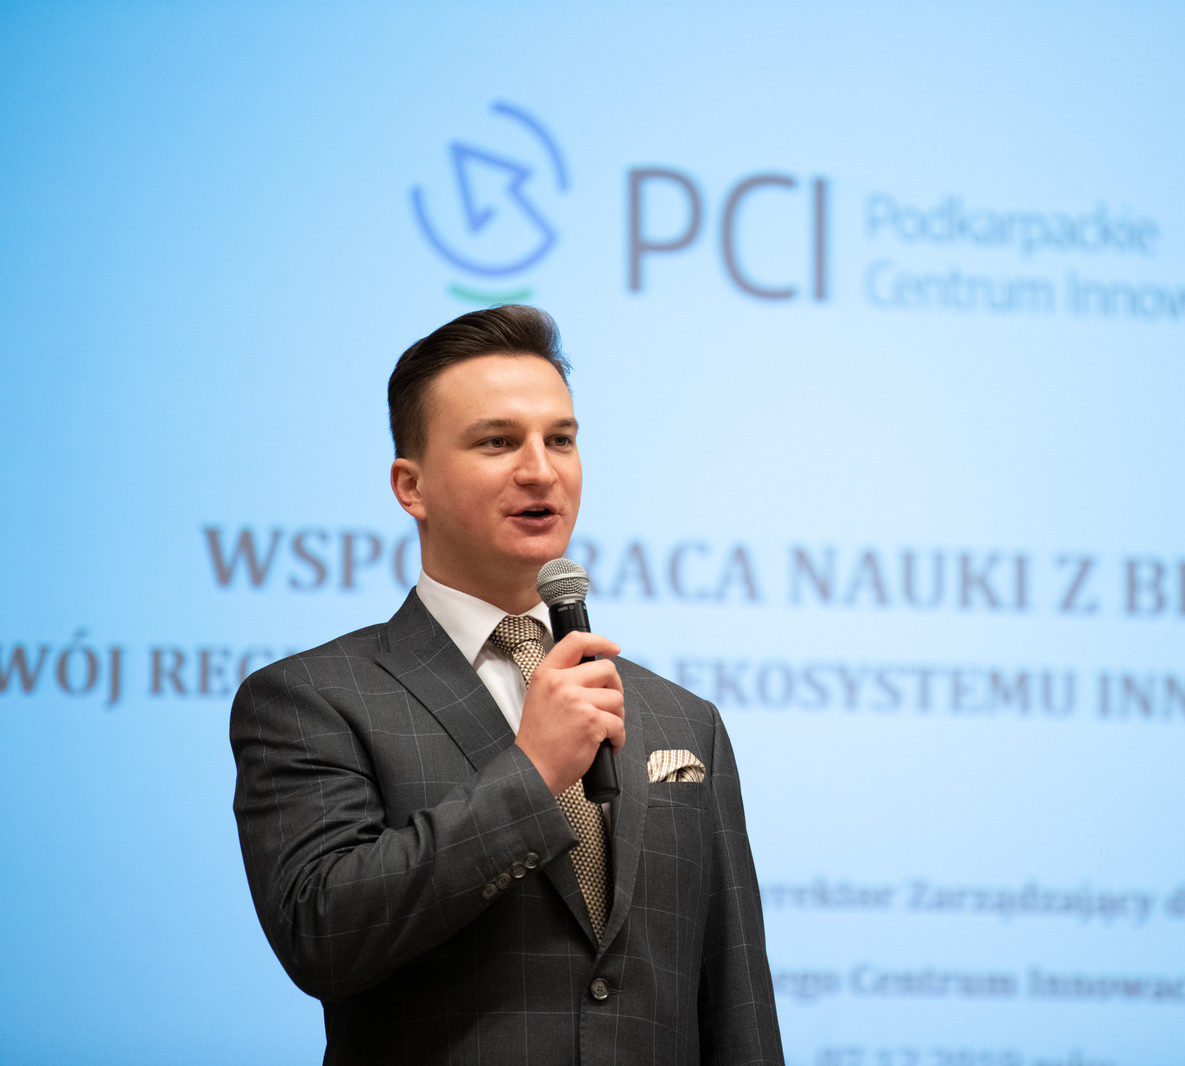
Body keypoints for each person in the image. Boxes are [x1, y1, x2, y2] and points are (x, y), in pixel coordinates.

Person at [230, 305, 783, 1064]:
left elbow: (738, 1005)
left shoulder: (683, 720)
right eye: (497, 441)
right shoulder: (311, 700)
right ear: (410, 487)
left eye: (561, 439)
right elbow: (323, 934)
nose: (540, 469)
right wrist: (532, 773)